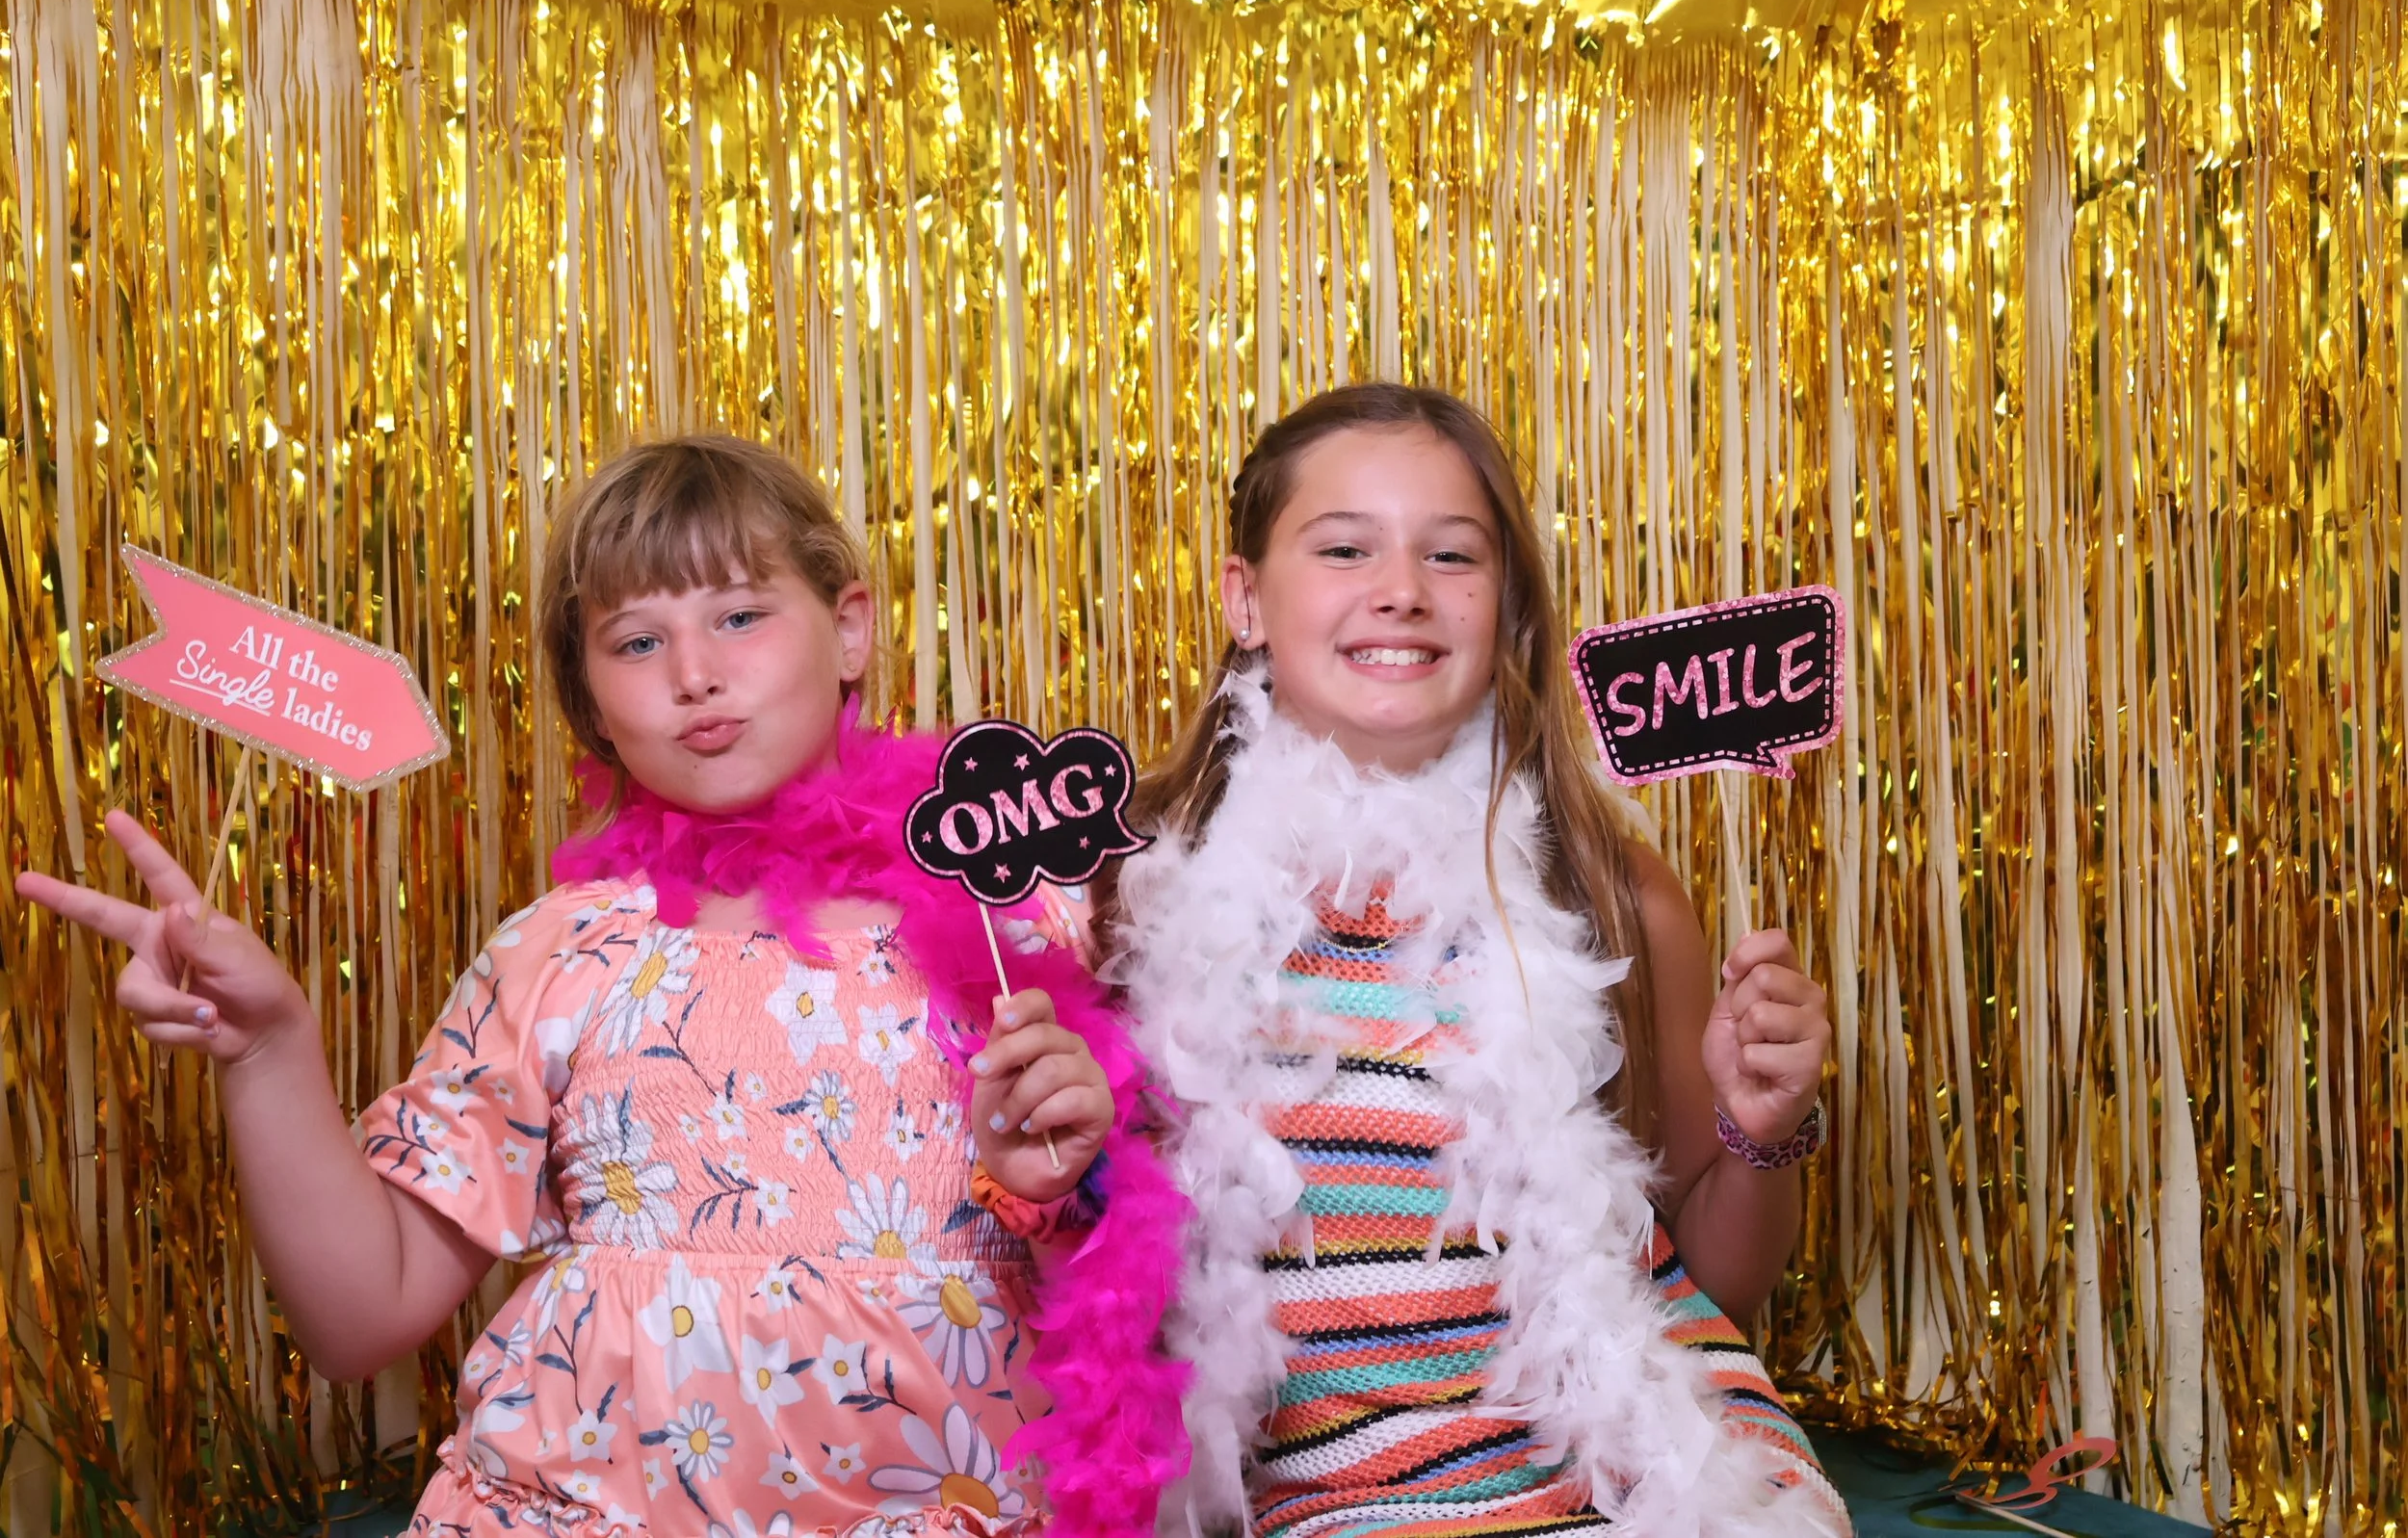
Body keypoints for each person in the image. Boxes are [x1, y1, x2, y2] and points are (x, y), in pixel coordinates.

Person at [16, 435, 1185, 1538]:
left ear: (849, 628)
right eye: (635, 643)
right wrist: (268, 1047)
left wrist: (1055, 1189)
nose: (694, 674)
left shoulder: (1021, 916)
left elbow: (1162, 1301)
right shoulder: (560, 950)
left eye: (740, 615)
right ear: (589, 698)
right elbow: (362, 1313)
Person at [1106, 384, 1851, 1537]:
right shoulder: (1137, 900)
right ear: (1244, 596)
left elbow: (1718, 1282)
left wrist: (1766, 1125)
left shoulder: (1605, 891)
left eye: (1451, 553)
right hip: (1352, 1499)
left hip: (1657, 1468)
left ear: (1504, 607)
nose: (1400, 588)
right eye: (1344, 547)